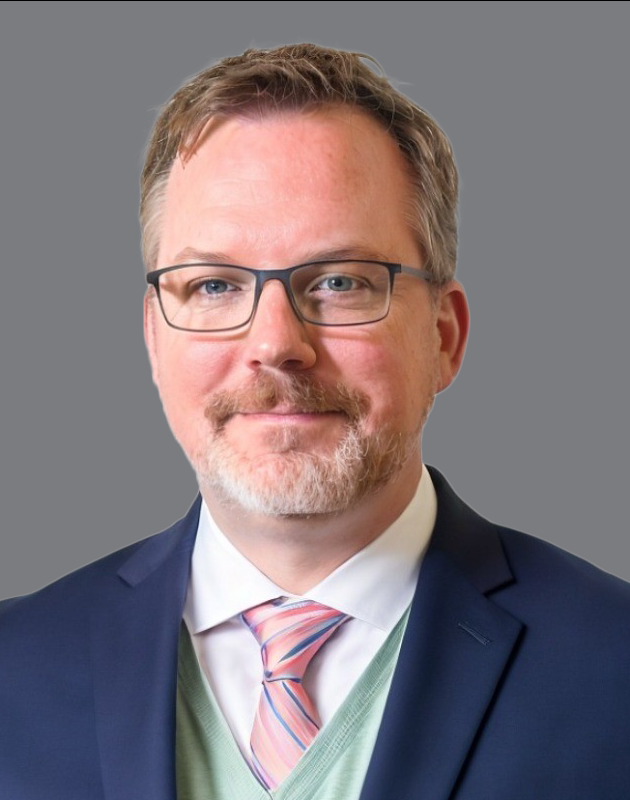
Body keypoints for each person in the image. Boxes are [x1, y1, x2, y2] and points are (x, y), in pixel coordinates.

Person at [1, 43, 629, 800]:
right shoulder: (16, 667)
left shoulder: (612, 666)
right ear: (153, 338)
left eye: (339, 281)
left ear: (444, 336)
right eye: (213, 286)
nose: (275, 345)